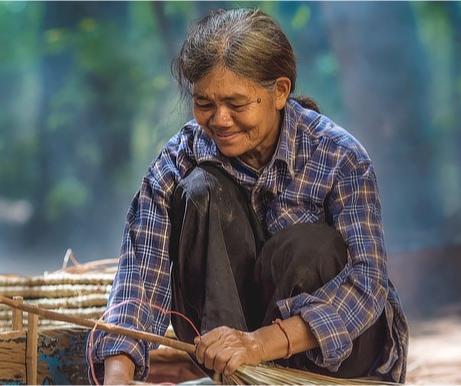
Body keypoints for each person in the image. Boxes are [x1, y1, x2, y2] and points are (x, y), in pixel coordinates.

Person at [88, 7, 408, 385]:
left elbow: (366, 285)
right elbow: (141, 274)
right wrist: (118, 374)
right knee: (200, 190)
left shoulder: (341, 158)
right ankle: (239, 378)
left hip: (343, 361)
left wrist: (259, 343)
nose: (220, 120)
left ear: (280, 92)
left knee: (305, 247)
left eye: (237, 105)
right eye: (205, 104)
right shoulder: (181, 157)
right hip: (239, 361)